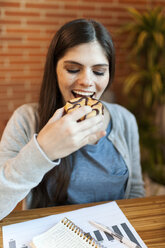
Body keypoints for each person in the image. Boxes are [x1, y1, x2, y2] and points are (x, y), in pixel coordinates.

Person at [0, 18, 145, 220]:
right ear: (54, 70)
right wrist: (43, 150)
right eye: (73, 69)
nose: (86, 81)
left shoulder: (125, 120)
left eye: (99, 71)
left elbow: (136, 190)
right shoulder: (25, 120)